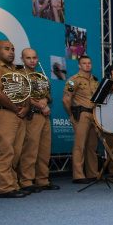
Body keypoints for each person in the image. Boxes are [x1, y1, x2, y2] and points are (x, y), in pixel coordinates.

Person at [0, 40, 29, 197]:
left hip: (19, 114)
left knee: (16, 153)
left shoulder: (18, 70)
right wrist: (16, 108)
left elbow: (26, 92)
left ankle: (13, 184)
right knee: (5, 151)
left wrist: (26, 107)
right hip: (3, 114)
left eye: (13, 49)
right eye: (7, 49)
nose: (11, 52)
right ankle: (5, 188)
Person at [17, 48, 58, 193]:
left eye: (34, 58)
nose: (32, 61)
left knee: (44, 150)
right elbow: (21, 96)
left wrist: (45, 101)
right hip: (31, 117)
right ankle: (26, 181)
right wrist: (40, 105)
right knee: (30, 150)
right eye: (28, 58)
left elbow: (49, 96)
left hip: (44, 117)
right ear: (22, 59)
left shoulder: (41, 76)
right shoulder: (19, 76)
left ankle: (42, 180)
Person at [62, 56, 99, 184]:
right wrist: (71, 115)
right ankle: (78, 175)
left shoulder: (95, 80)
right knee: (80, 145)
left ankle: (92, 173)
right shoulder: (73, 80)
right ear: (79, 65)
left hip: (94, 115)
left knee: (92, 146)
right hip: (81, 113)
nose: (87, 65)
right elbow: (66, 99)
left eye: (89, 63)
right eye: (84, 63)